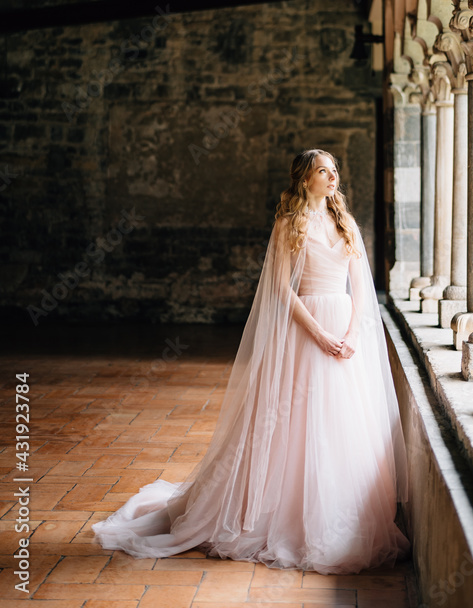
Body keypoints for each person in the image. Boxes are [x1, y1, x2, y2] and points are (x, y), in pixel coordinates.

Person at [91, 148, 410, 574]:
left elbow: (361, 289)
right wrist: (318, 334)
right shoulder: (288, 224)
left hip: (344, 335)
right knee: (296, 422)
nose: (332, 177)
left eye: (334, 170)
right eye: (322, 170)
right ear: (304, 179)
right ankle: (277, 515)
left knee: (340, 423)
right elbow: (281, 289)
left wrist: (350, 336)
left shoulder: (347, 224)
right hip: (307, 331)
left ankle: (338, 517)